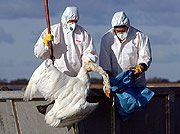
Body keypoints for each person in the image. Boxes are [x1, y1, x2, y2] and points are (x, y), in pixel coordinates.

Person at [34, 6, 98, 77]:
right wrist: (45, 44)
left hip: (76, 78)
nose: (73, 23)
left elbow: (89, 51)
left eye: (75, 21)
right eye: (71, 21)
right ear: (65, 18)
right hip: (56, 77)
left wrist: (88, 62)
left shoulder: (83, 34)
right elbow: (39, 54)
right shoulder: (52, 31)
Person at [99, 11, 152, 87]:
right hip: (115, 82)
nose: (120, 33)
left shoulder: (140, 37)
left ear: (128, 27)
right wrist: (105, 77)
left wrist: (140, 68)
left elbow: (146, 56)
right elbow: (105, 60)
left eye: (123, 31)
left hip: (136, 82)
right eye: (118, 31)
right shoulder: (106, 38)